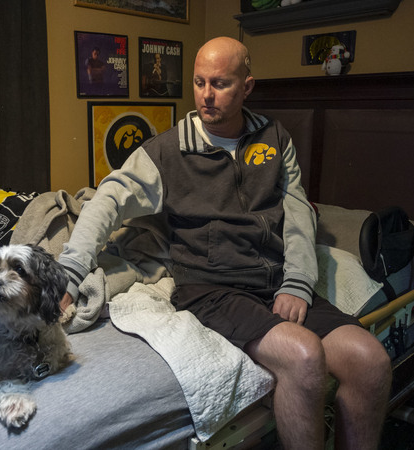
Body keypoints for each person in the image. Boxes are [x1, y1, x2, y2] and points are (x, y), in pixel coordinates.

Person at [58, 36, 391, 450]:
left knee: (371, 361)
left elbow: (299, 211)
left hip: (271, 278)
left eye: (220, 83)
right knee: (303, 356)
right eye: (199, 82)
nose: (206, 95)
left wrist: (298, 281)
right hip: (210, 285)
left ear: (247, 87)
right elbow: (108, 198)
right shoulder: (167, 151)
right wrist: (69, 273)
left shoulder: (275, 138)